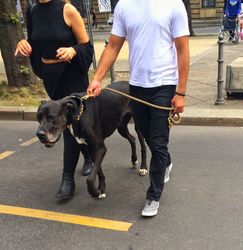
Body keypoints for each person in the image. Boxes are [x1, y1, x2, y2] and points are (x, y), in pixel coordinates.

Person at [87, 0, 190, 217]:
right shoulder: (124, 5)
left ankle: (153, 196)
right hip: (137, 85)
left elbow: (182, 48)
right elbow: (113, 45)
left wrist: (180, 92)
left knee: (159, 142)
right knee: (148, 135)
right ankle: (166, 162)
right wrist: (97, 79)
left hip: (164, 84)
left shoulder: (174, 4)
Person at [15, 0, 94, 200]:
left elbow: (87, 47)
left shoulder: (67, 9)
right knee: (74, 127)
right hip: (51, 77)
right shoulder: (32, 11)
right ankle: (89, 156)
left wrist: (73, 51)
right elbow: (35, 43)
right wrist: (23, 43)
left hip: (72, 76)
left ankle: (67, 179)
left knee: (66, 126)